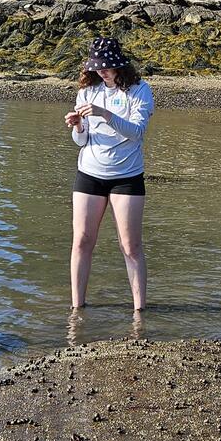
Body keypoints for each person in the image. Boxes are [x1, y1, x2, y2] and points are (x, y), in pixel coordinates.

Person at [66, 37, 153, 310]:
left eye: (107, 66)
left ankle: (140, 311)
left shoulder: (140, 91)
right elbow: (81, 142)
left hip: (127, 176)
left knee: (130, 246)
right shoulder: (87, 92)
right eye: (96, 67)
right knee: (81, 241)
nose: (101, 71)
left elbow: (137, 133)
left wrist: (105, 114)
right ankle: (76, 309)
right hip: (89, 173)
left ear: (119, 65)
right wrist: (78, 127)